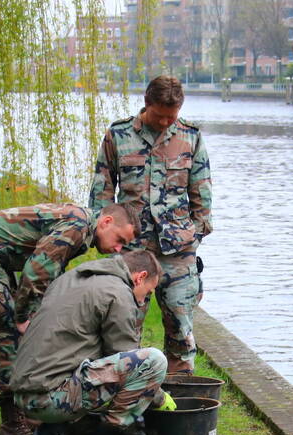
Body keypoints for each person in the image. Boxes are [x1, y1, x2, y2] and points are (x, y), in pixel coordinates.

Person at [0, 202, 138, 435]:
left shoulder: (80, 224)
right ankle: (12, 426)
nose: (118, 249)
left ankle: (31, 414)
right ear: (107, 222)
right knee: (6, 336)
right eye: (119, 240)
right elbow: (37, 270)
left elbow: (51, 270)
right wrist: (24, 316)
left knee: (14, 332)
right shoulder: (78, 225)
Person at [89, 75, 212, 375]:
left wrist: (195, 234)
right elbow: (102, 189)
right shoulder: (118, 135)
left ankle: (179, 399)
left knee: (181, 329)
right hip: (131, 250)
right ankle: (125, 399)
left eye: (172, 116)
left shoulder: (190, 136)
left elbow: (202, 192)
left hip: (178, 251)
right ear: (146, 105)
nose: (166, 122)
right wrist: (105, 238)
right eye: (160, 116)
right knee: (124, 327)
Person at [10, 251, 170, 435]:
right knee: (153, 361)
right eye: (148, 292)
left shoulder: (73, 278)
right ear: (140, 277)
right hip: (49, 399)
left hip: (23, 395)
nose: (143, 300)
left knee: (84, 355)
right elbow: (125, 356)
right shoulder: (118, 293)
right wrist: (160, 398)